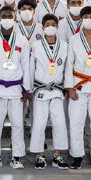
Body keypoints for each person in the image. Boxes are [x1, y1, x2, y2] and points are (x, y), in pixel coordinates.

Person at [0, 5, 30, 169]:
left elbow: (26, 66)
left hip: (16, 89)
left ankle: (17, 157)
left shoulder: (22, 41)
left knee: (18, 125)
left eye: (10, 16)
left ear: (15, 18)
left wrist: (27, 89)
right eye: (3, 16)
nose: (6, 19)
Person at [65, 6, 91, 170]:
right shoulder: (74, 39)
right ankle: (77, 155)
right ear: (81, 19)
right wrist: (69, 88)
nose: (89, 18)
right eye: (86, 16)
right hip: (78, 87)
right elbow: (68, 65)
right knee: (76, 123)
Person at [29, 14, 69, 170]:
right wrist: (29, 88)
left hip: (58, 90)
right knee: (39, 124)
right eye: (48, 24)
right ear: (43, 27)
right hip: (41, 89)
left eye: (53, 24)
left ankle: (57, 155)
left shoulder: (65, 45)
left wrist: (68, 86)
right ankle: (39, 155)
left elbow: (68, 68)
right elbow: (31, 67)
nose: (50, 26)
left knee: (59, 123)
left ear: (57, 27)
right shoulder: (36, 45)